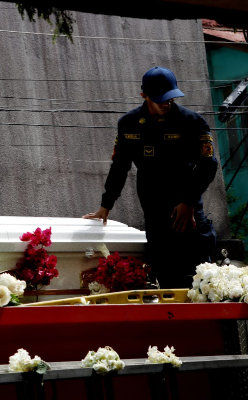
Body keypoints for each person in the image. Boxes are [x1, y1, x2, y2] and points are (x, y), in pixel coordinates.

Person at [83, 66, 218, 289]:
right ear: (144, 95)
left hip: (185, 214)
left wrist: (189, 202)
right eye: (160, 99)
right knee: (166, 278)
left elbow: (208, 165)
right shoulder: (128, 124)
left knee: (198, 278)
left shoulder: (192, 122)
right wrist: (105, 206)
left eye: (170, 98)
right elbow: (119, 167)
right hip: (154, 213)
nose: (166, 103)